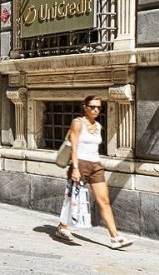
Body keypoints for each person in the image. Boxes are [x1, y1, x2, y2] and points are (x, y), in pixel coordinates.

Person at [56, 95, 133, 249]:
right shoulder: (77, 123)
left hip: (95, 165)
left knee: (104, 200)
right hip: (80, 164)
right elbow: (74, 147)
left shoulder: (98, 126)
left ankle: (115, 237)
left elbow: (95, 148)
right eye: (92, 106)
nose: (96, 109)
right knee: (72, 198)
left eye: (98, 107)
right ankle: (62, 227)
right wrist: (76, 168)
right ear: (85, 107)